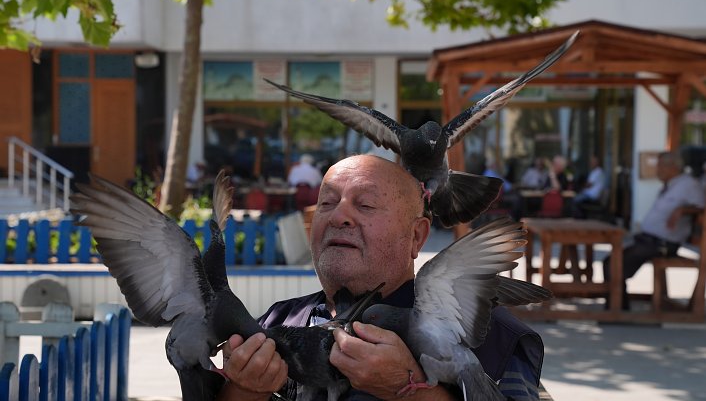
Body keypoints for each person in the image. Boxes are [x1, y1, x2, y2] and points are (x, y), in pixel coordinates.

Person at [215, 155, 544, 401]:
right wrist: (243, 391)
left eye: (366, 205)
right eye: (326, 203)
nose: (339, 216)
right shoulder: (272, 324)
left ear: (416, 237)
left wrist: (410, 388)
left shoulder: (496, 340)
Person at [603, 152, 704, 310]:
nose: (657, 171)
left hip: (662, 243)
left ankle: (616, 309)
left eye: (660, 167)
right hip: (649, 239)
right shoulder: (671, 185)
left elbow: (702, 207)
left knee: (614, 264)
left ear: (673, 167)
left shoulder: (688, 184)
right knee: (613, 259)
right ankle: (617, 305)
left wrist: (683, 209)